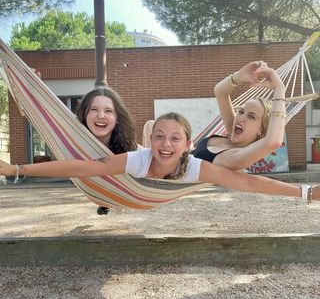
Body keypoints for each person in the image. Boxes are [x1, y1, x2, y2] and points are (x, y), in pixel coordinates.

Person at [1, 112, 318, 205]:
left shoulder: (197, 167)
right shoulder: (138, 159)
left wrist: (303, 191)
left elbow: (247, 182)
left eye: (175, 139)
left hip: (156, 190)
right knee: (101, 157)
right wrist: (17, 168)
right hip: (131, 185)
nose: (166, 145)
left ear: (187, 145)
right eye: (159, 137)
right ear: (150, 141)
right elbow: (83, 167)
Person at [191, 61, 288, 170]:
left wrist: (279, 89)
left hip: (172, 181)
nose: (240, 118)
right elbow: (220, 92)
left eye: (251, 116)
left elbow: (273, 142)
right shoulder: (231, 133)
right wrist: (240, 76)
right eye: (241, 111)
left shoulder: (237, 157)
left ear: (261, 130)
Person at [77, 87, 137, 215]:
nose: (101, 116)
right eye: (94, 109)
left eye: (108, 111)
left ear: (117, 119)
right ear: (84, 114)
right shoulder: (73, 141)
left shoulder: (127, 147)